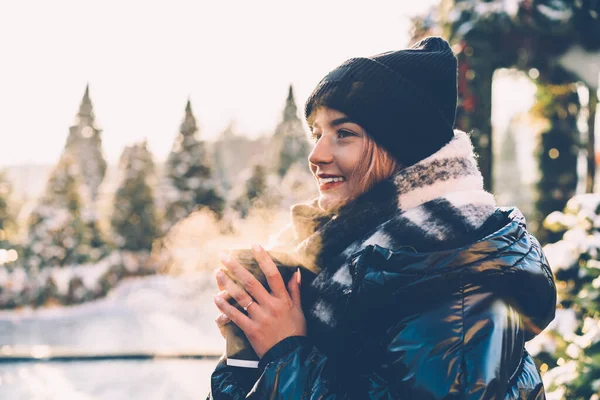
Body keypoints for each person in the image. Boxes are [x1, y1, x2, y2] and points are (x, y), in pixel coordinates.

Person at [208, 37, 556, 399]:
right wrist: (248, 358)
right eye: (317, 133)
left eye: (344, 134)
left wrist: (285, 353)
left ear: (401, 145)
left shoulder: (456, 281)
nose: (316, 154)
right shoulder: (356, 254)